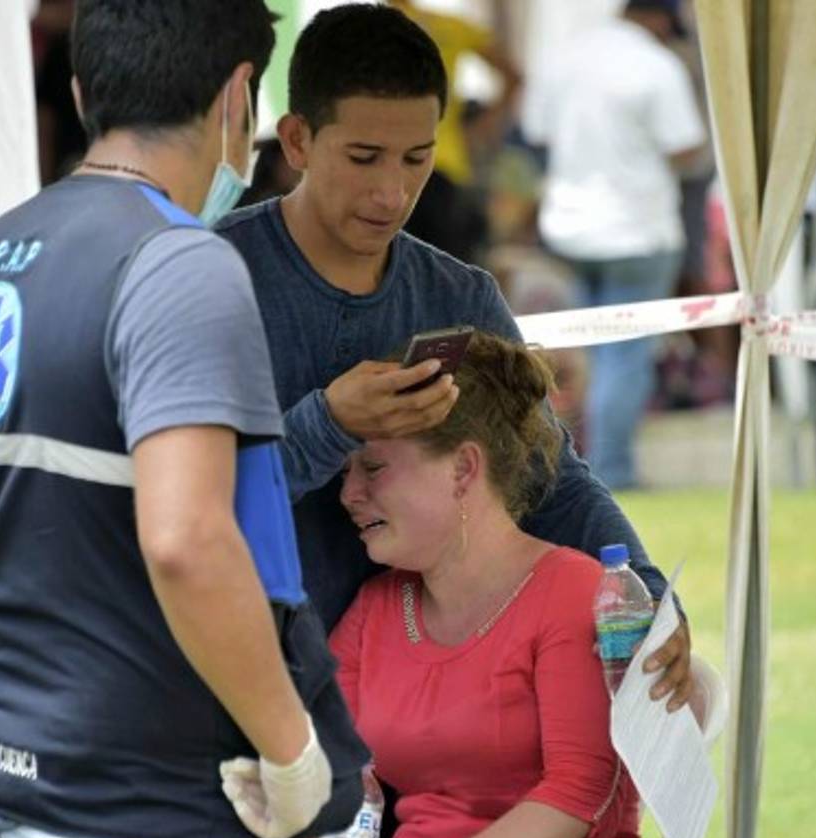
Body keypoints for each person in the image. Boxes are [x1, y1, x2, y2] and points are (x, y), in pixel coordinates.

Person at [0, 2, 366, 838]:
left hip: (12, 806)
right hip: (161, 819)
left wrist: (13, 682)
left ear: (82, 93)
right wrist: (294, 752)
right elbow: (188, 539)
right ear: (241, 100)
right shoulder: (184, 262)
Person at [216, 2, 693, 705]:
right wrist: (329, 423)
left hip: (419, 704)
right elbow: (185, 503)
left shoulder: (458, 295)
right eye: (363, 157)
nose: (393, 191)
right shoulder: (212, 275)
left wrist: (645, 595)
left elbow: (548, 475)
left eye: (417, 157)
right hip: (242, 689)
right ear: (295, 140)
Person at [328, 331, 644, 838]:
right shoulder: (377, 609)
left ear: (463, 469)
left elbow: (577, 797)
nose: (348, 493)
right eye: (346, 470)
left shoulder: (574, 592)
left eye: (373, 468)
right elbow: (326, 768)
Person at [527, 0, 707, 489]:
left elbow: (536, 134)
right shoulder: (657, 65)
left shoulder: (564, 57)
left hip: (569, 227)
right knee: (624, 359)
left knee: (586, 357)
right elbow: (687, 148)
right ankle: (611, 474)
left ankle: (567, 469)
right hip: (640, 230)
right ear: (659, 18)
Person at [386, 0, 520, 263]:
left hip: (391, 164)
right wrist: (483, 128)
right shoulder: (449, 26)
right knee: (443, 270)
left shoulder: (367, 27)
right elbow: (514, 75)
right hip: (444, 162)